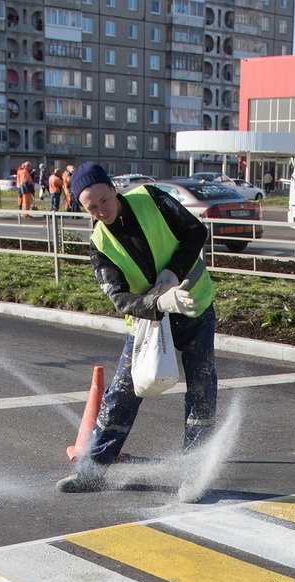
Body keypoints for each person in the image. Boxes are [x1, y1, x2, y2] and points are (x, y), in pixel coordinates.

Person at [56, 162, 218, 503]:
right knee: (121, 394)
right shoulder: (99, 245)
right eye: (92, 208)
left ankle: (193, 477)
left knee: (201, 392)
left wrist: (173, 274)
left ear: (113, 188)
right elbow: (119, 298)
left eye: (103, 200)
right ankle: (93, 473)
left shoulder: (152, 198)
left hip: (192, 305)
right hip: (150, 321)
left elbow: (195, 232)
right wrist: (157, 303)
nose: (102, 210)